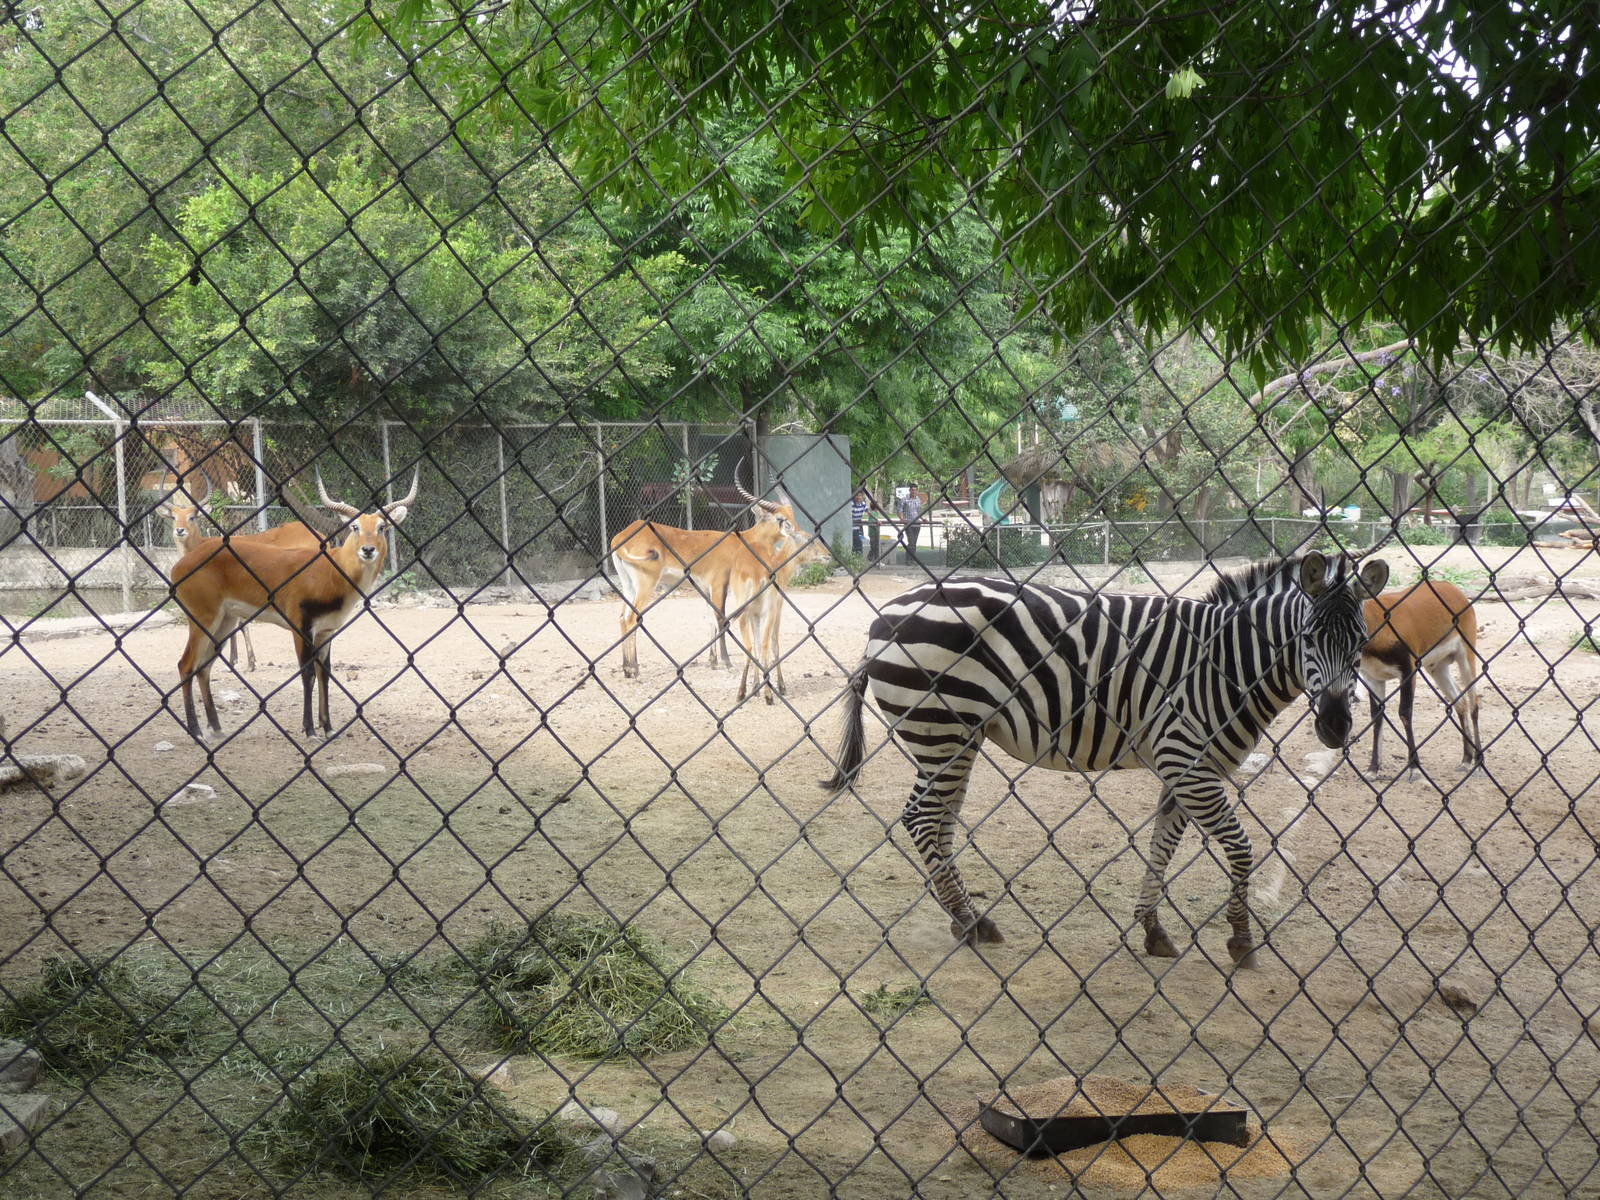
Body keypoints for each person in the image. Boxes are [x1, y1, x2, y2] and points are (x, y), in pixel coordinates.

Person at [897, 485, 925, 561]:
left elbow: (919, 511)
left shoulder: (918, 499)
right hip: (908, 523)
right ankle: (908, 559)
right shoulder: (904, 499)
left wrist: (923, 519)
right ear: (909, 490)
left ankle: (912, 559)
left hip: (917, 523)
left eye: (915, 490)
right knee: (911, 541)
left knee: (914, 542)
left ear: (917, 491)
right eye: (912, 490)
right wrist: (902, 519)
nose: (914, 492)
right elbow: (899, 510)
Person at [851, 488, 871, 555]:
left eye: (860, 495)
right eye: (857, 495)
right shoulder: (852, 504)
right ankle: (858, 559)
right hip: (852, 527)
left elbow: (868, 512)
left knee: (857, 543)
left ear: (862, 496)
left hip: (858, 526)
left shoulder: (863, 504)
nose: (858, 497)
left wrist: (876, 520)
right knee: (858, 543)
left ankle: (856, 558)